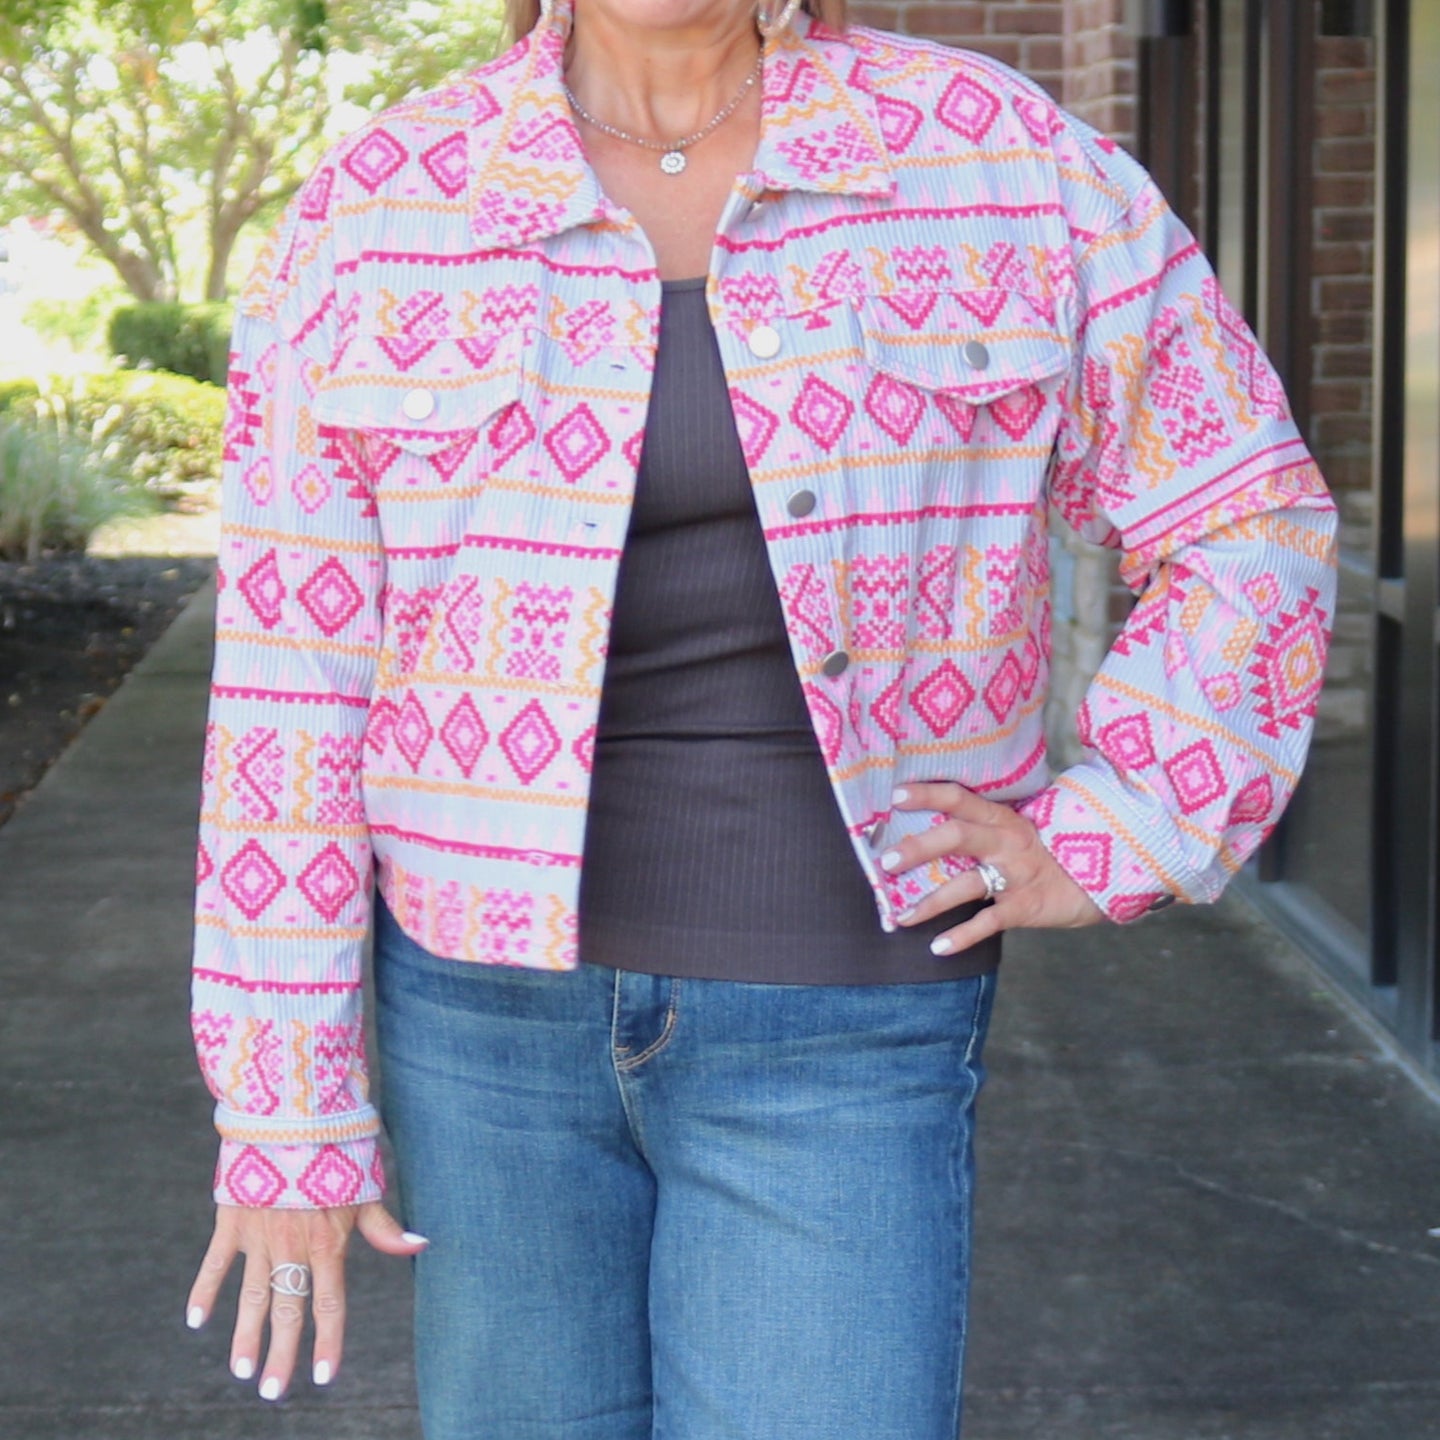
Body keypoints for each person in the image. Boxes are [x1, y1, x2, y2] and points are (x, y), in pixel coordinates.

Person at [183, 0, 1338, 1433]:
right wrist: (285, 1108)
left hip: (846, 1011)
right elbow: (294, 677)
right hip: (483, 1023)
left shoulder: (998, 159)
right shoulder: (385, 203)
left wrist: (1122, 823)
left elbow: (1246, 507)